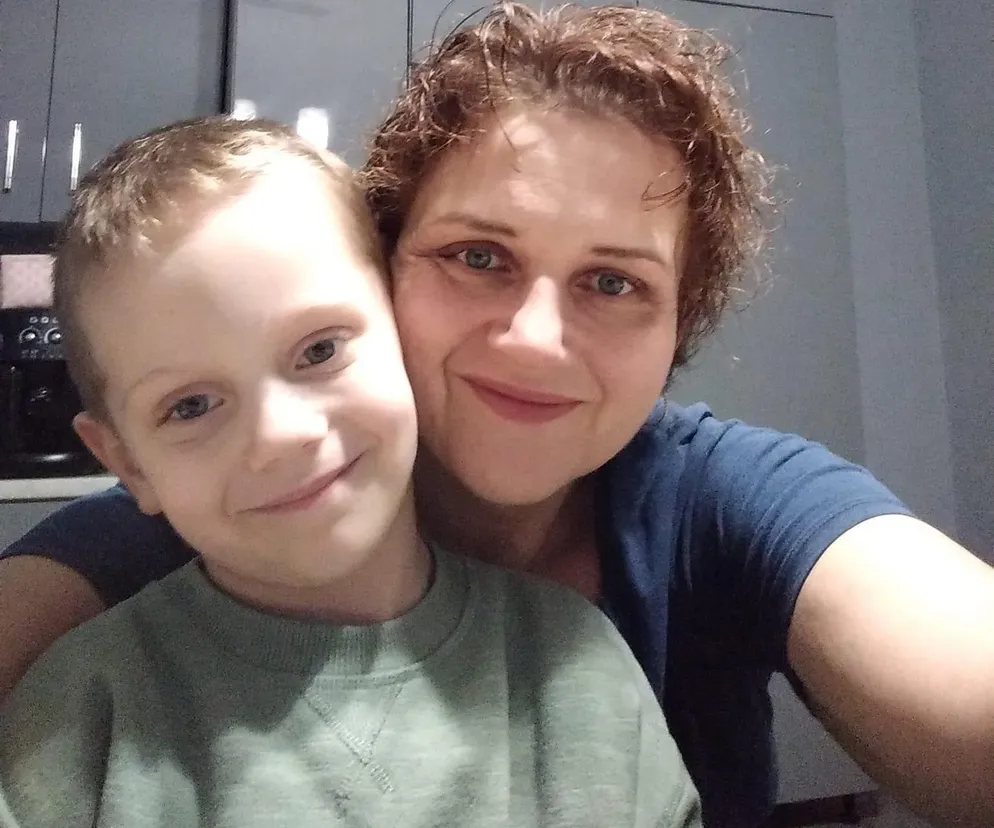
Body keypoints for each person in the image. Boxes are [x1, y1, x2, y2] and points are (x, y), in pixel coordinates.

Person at [2, 3, 993, 827]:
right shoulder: (209, 519)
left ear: (676, 331)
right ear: (384, 266)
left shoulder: (727, 506)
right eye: (478, 255)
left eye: (614, 281)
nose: (533, 340)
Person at [0, 117, 703, 828]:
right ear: (128, 464)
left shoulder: (577, 670)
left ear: (403, 329)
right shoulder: (81, 720)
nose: (280, 436)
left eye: (319, 351)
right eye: (191, 406)